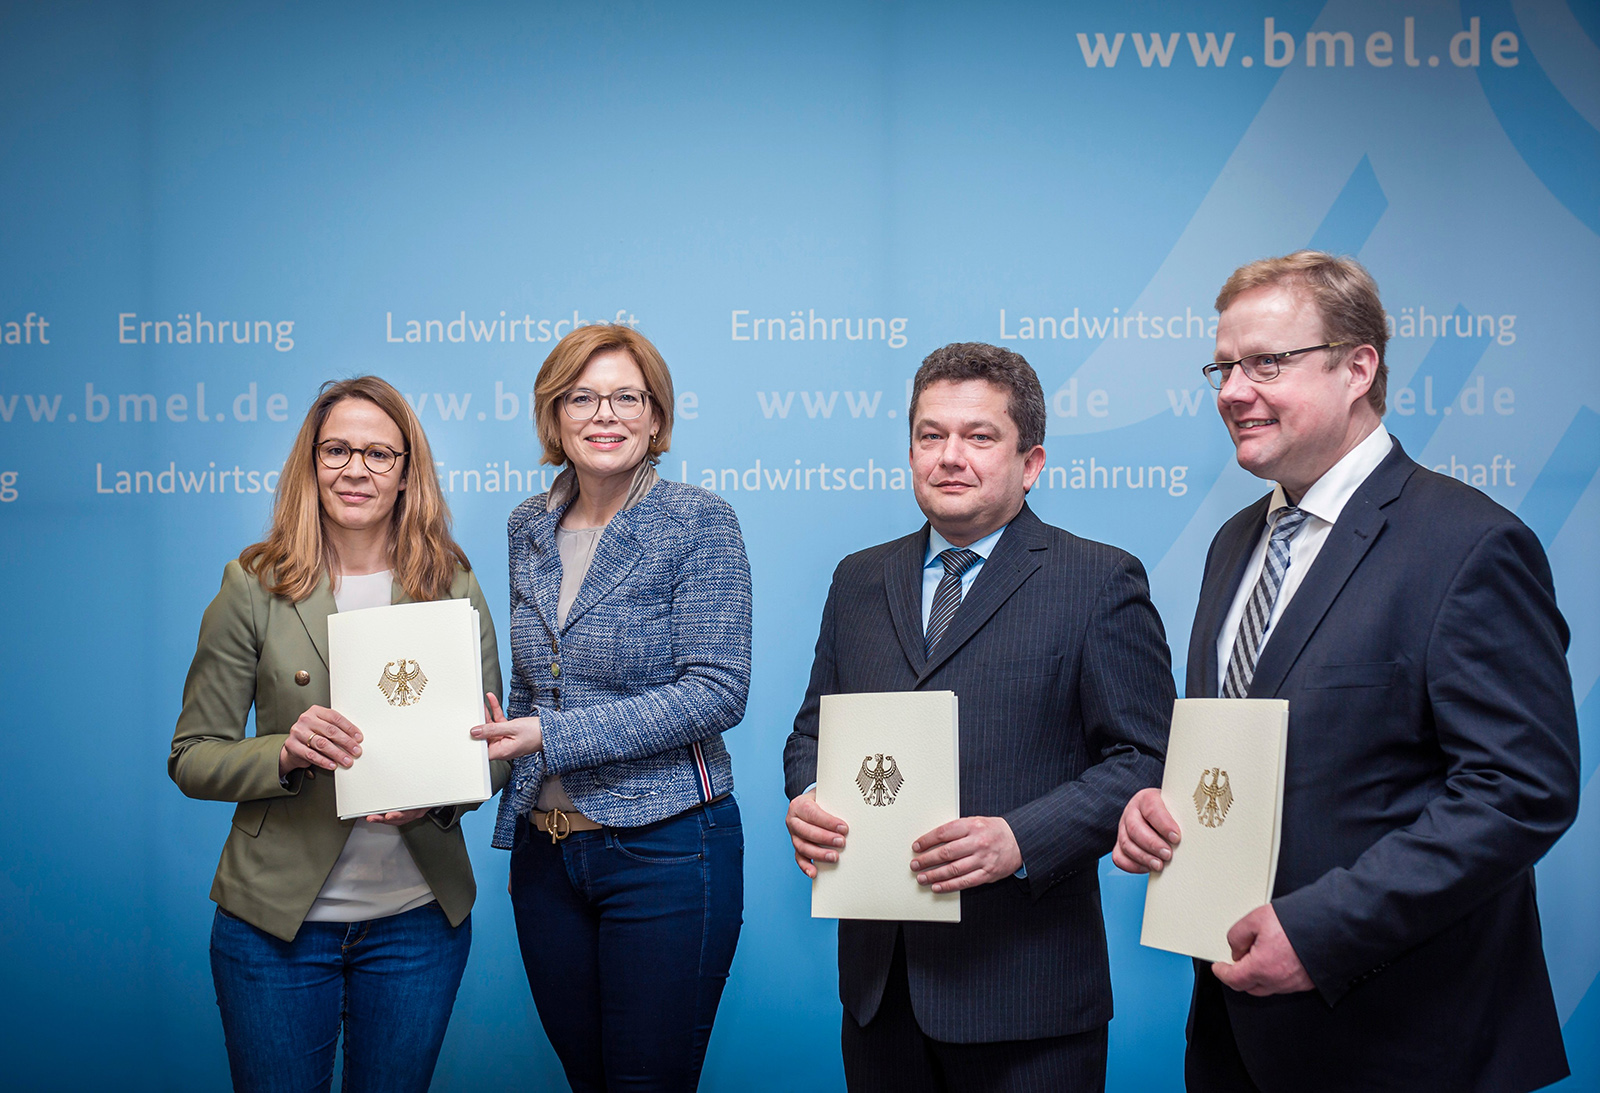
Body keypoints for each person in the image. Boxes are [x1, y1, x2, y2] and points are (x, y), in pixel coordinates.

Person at [1114, 251, 1581, 1092]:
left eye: (1266, 362)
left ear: (1358, 366)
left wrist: (1325, 930)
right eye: (1223, 366)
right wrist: (1161, 806)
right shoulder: (1234, 544)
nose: (1231, 390)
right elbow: (1252, 754)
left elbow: (1522, 789)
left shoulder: (1469, 545)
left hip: (1405, 1041)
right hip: (1234, 1037)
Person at [783, 342, 1174, 1092]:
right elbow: (811, 733)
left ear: (1031, 462)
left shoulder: (1097, 579)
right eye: (931, 436)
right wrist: (806, 796)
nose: (949, 456)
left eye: (979, 436)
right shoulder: (858, 577)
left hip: (1027, 995)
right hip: (879, 994)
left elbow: (1147, 756)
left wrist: (1020, 839)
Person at [169, 375, 507, 1093]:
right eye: (337, 450)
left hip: (418, 923)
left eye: (380, 454)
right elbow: (192, 756)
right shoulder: (252, 584)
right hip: (275, 929)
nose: (356, 469)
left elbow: (493, 749)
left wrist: (441, 792)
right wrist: (283, 752)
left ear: (407, 470)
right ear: (311, 462)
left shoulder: (452, 582)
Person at [472, 325, 751, 1093]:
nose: (605, 414)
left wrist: (549, 735)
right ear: (554, 417)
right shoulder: (528, 525)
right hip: (546, 855)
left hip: (666, 850)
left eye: (627, 396)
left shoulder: (699, 520)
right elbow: (536, 685)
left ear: (656, 418)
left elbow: (717, 689)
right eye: (582, 397)